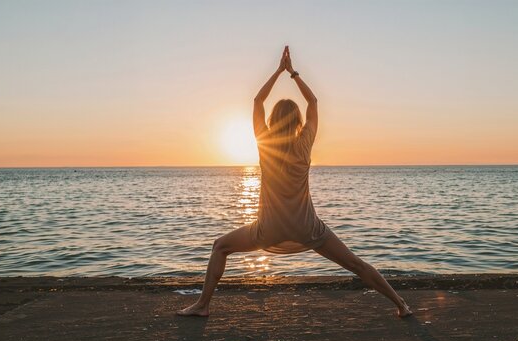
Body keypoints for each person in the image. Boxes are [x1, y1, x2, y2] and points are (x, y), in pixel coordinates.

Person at [177, 46, 412, 318]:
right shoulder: (304, 145)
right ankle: (401, 305)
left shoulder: (265, 144)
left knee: (220, 246)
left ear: (272, 121)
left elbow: (257, 102)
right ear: (299, 121)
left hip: (269, 229)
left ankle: (203, 306)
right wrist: (293, 73)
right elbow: (313, 103)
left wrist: (277, 70)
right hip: (307, 228)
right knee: (355, 264)